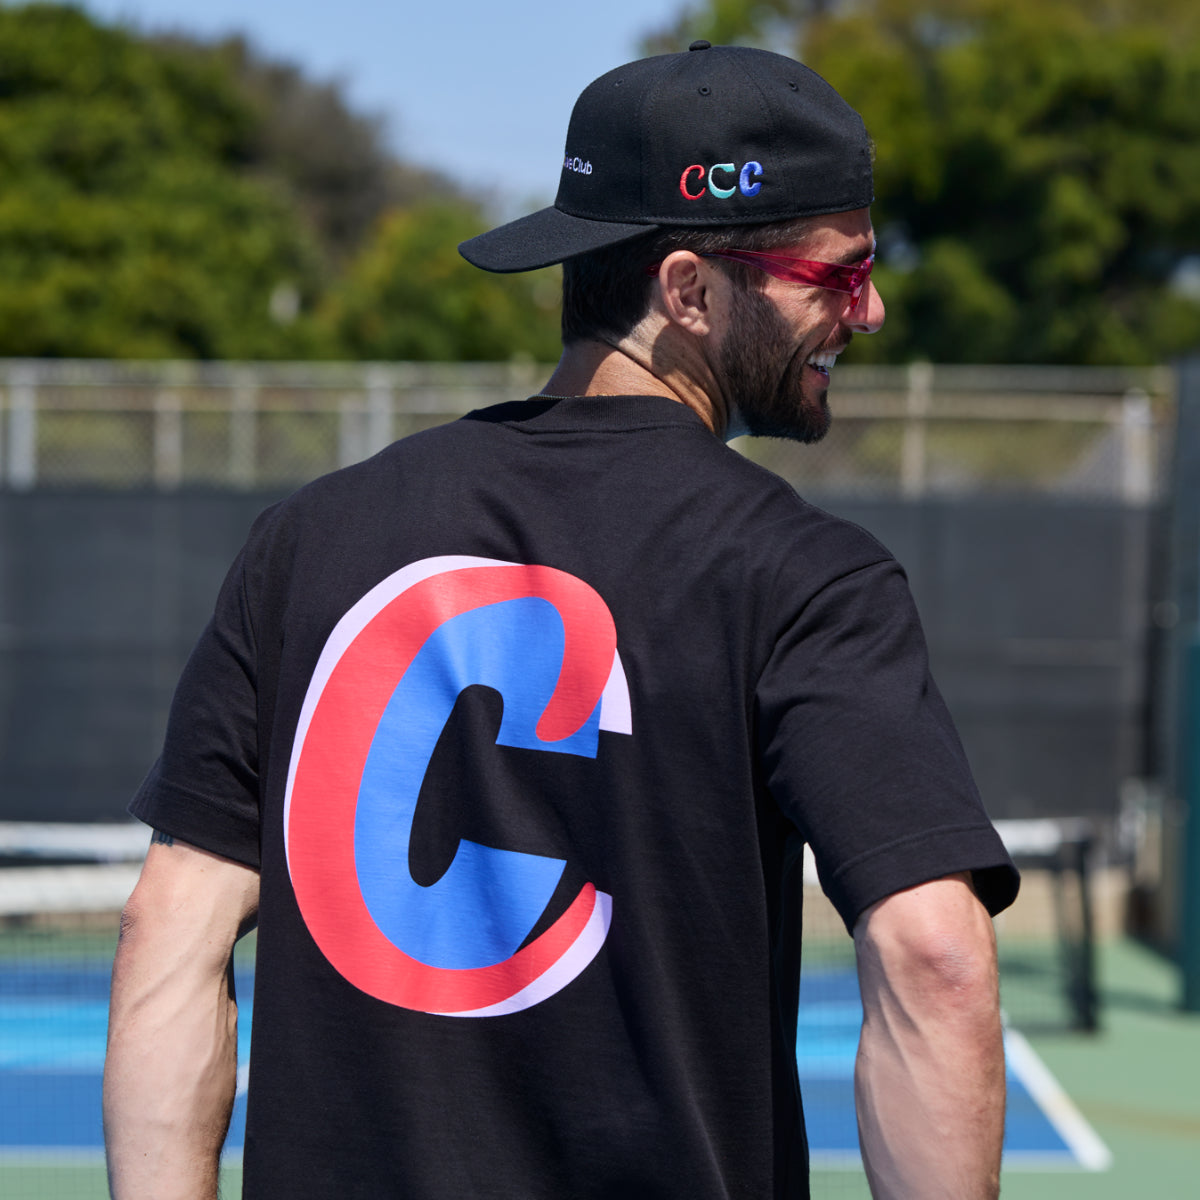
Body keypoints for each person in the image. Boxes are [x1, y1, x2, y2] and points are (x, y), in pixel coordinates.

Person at [104, 41, 1019, 1200]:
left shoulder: (307, 538)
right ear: (689, 290)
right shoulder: (802, 577)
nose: (870, 310)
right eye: (836, 274)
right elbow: (934, 956)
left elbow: (167, 928)